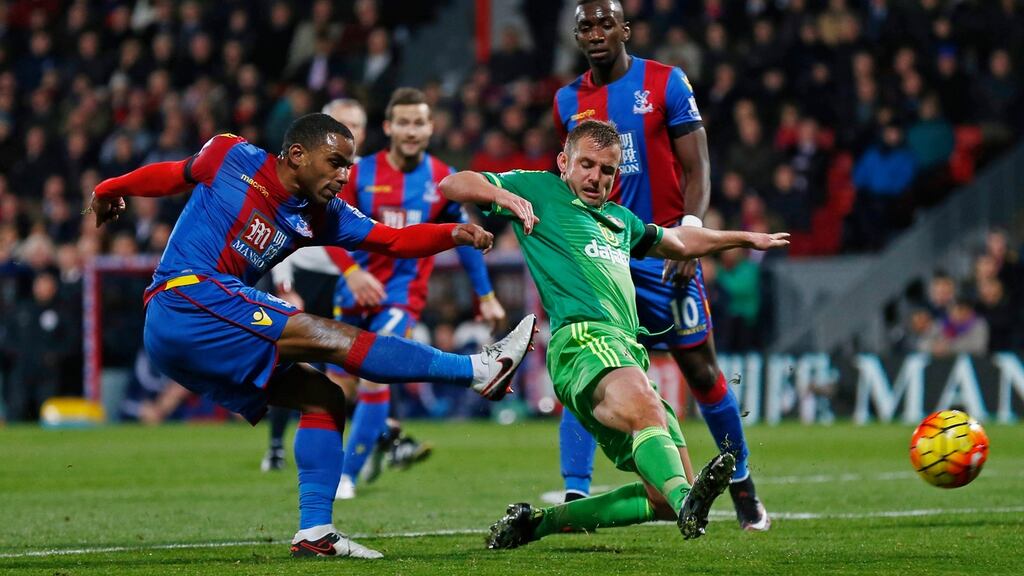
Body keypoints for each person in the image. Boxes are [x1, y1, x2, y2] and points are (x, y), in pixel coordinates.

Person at [86, 113, 538, 560]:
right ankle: (478, 371)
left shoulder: (324, 215)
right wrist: (110, 189)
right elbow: (172, 175)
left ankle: (315, 531)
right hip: (183, 296)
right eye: (336, 162)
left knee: (324, 398)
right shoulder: (231, 154)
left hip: (195, 330)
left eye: (349, 165)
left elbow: (394, 242)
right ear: (297, 155)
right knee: (329, 335)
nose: (344, 176)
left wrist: (452, 234)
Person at [439, 119, 789, 547]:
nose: (596, 177)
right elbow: (453, 184)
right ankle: (688, 503)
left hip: (625, 350)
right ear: (563, 162)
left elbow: (681, 243)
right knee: (654, 429)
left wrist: (746, 239)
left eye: (608, 170)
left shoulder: (622, 221)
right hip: (583, 341)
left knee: (658, 496)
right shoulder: (539, 190)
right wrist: (501, 194)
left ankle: (540, 523)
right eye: (586, 165)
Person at [550, 0, 771, 532]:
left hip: (665, 252)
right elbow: (569, 181)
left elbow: (698, 166)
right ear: (577, 36)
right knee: (590, 366)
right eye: (586, 25)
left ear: (625, 29)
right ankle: (574, 492)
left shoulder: (666, 83)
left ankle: (743, 489)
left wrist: (691, 231)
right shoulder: (566, 101)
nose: (597, 32)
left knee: (702, 371)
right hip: (602, 255)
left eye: (607, 22)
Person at [330, 87, 507, 500]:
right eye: (404, 122)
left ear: (431, 127)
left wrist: (485, 295)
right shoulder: (360, 174)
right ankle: (373, 441)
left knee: (375, 376)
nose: (412, 131)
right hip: (352, 291)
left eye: (420, 122)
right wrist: (353, 272)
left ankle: (346, 478)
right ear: (389, 127)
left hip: (400, 296)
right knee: (340, 389)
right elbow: (330, 228)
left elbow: (465, 237)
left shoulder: (442, 182)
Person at [260, 98, 370, 473]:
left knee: (348, 364)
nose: (351, 129)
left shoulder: (361, 174)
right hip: (304, 276)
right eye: (343, 122)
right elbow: (286, 231)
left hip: (341, 280)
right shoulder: (309, 175)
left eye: (357, 123)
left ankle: (379, 437)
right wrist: (285, 284)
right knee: (293, 361)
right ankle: (275, 446)